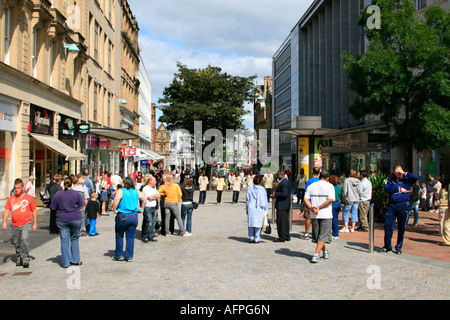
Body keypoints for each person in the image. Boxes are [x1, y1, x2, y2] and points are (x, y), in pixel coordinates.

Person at [382, 165, 418, 254]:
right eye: (396, 171)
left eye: (399, 171)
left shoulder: (407, 179)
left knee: (402, 226)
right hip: (392, 205)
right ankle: (388, 246)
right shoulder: (391, 180)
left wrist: (405, 173)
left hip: (403, 204)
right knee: (388, 226)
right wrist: (399, 189)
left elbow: (416, 177)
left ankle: (399, 247)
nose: (398, 173)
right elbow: (387, 188)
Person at [2, 178, 38, 268]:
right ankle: (19, 256)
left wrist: (35, 223)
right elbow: (6, 211)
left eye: (18, 188)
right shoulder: (11, 199)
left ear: (22, 187)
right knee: (16, 242)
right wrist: (4, 222)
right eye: (15, 188)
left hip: (26, 223)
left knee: (25, 239)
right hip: (14, 224)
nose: (16, 190)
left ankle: (25, 257)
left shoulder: (28, 198)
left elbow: (34, 211)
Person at [50, 178, 85, 268]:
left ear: (63, 185)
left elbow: (53, 207)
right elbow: (82, 205)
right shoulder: (76, 193)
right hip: (75, 218)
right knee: (74, 239)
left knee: (64, 240)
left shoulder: (58, 194)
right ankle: (75, 260)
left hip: (62, 218)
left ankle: (66, 262)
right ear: (72, 185)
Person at [112, 177, 147, 262]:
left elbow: (116, 199)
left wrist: (114, 209)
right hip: (134, 215)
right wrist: (142, 208)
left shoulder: (121, 191)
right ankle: (129, 256)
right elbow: (144, 198)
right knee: (130, 236)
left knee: (119, 235)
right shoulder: (136, 191)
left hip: (123, 214)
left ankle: (119, 255)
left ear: (124, 183)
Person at [303, 170, 335, 263]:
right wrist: (319, 207)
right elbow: (330, 199)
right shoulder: (330, 186)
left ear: (319, 176)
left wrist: (312, 207)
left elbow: (306, 199)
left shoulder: (311, 186)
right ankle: (318, 254)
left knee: (319, 236)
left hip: (314, 214)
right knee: (322, 236)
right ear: (328, 178)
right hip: (325, 214)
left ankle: (321, 252)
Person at [246, 175, 268, 244]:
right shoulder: (262, 189)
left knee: (251, 223)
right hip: (259, 208)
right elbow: (265, 200)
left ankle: (251, 237)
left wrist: (247, 209)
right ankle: (257, 238)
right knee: (258, 224)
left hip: (251, 208)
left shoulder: (250, 189)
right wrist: (266, 209)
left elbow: (247, 200)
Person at [301, 167, 320, 240]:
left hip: (310, 202)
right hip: (319, 202)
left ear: (312, 171)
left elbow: (306, 191)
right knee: (318, 218)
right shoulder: (320, 181)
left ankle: (306, 233)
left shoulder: (310, 181)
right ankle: (317, 233)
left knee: (308, 218)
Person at [272, 170, 291, 242]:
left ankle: (282, 237)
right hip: (285, 205)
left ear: (282, 175)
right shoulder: (285, 182)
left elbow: (285, 193)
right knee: (285, 221)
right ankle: (286, 235)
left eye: (278, 175)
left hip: (282, 205)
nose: (277, 176)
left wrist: (275, 194)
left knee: (281, 222)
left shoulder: (284, 183)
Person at [141, 175, 160, 243]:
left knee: (153, 222)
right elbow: (150, 197)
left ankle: (151, 236)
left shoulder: (154, 188)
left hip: (153, 207)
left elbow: (158, 195)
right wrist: (154, 196)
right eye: (155, 181)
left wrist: (154, 196)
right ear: (151, 181)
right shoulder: (145, 188)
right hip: (147, 207)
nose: (156, 182)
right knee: (149, 222)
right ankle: (145, 236)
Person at [329, 174, 342, 239]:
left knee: (332, 219)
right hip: (338, 202)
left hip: (333, 202)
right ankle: (335, 233)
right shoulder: (339, 187)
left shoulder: (330, 187)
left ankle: (334, 234)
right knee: (335, 219)